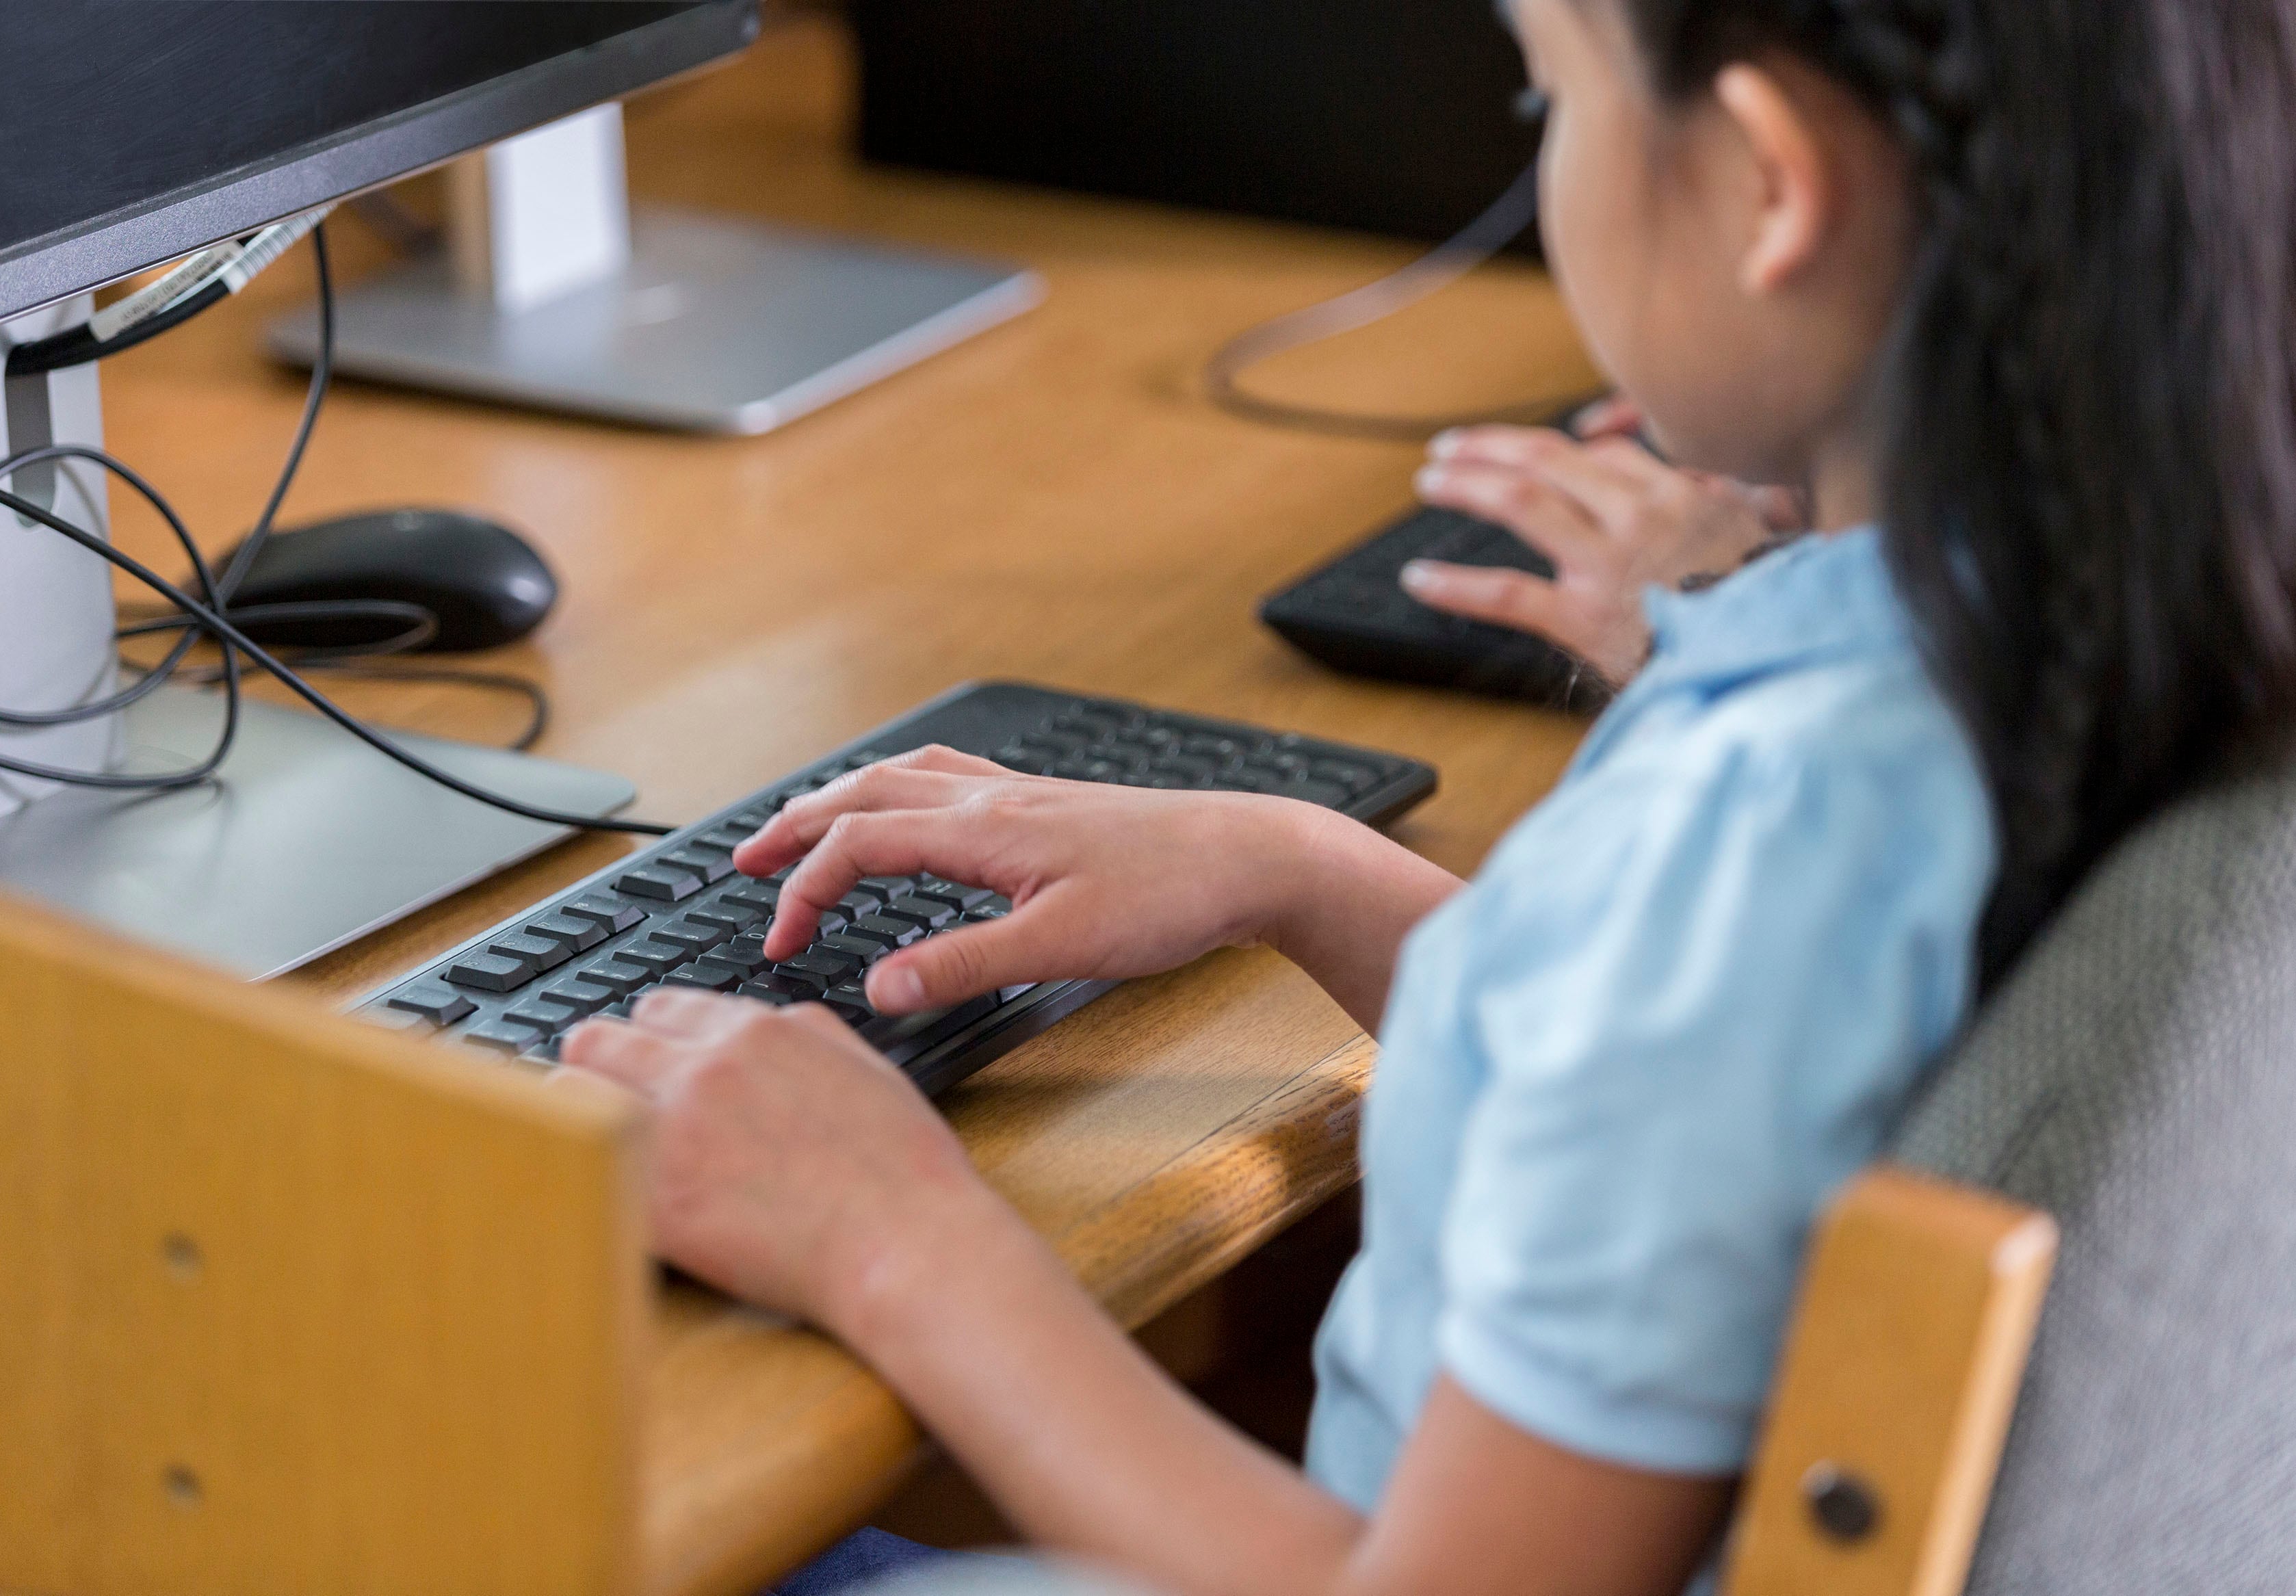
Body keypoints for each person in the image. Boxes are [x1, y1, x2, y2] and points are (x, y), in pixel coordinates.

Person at [558, 0, 2296, 1591]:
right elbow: (1715, 1100)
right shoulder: (2109, 608)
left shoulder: (1764, 820)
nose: (1546, 157)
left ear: (1769, 186)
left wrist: (889, 1236)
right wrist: (1298, 868)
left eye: (1552, 95)